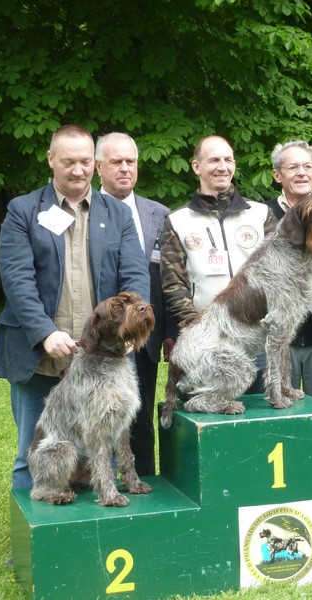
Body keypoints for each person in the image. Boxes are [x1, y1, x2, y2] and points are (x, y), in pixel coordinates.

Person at [0, 124, 150, 489]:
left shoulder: (119, 215)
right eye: (68, 162)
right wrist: (44, 332)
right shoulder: (23, 210)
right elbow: (17, 280)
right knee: (36, 449)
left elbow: (135, 278)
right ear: (50, 160)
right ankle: (29, 541)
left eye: (84, 162)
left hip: (104, 356)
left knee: (103, 449)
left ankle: (100, 534)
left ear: (94, 163)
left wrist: (128, 331)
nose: (77, 170)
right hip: (41, 358)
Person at [161, 135, 277, 393]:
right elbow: (173, 283)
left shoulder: (260, 215)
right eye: (214, 160)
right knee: (209, 418)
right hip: (207, 342)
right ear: (196, 167)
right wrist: (197, 329)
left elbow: (278, 272)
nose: (222, 167)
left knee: (258, 424)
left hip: (256, 337)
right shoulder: (177, 220)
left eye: (228, 159)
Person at [95, 131, 176, 477]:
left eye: (131, 162)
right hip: (97, 338)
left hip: (142, 341)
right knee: (96, 418)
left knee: (140, 418)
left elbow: (171, 281)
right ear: (99, 167)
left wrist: (170, 332)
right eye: (116, 162)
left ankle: (143, 486)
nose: (125, 169)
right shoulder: (86, 215)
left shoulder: (159, 215)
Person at [265, 140, 312, 405]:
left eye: (308, 166)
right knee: (278, 414)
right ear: (277, 175)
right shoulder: (262, 216)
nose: (302, 173)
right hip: (276, 340)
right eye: (293, 167)